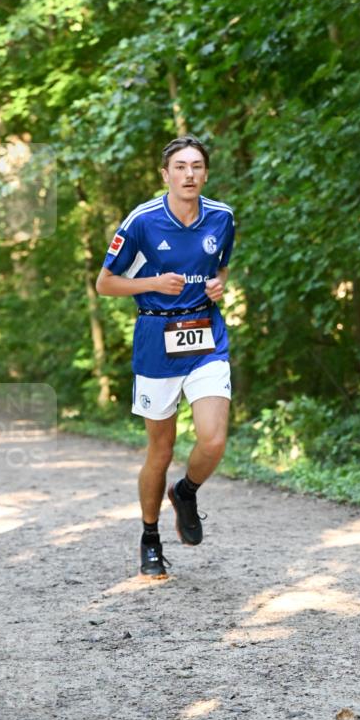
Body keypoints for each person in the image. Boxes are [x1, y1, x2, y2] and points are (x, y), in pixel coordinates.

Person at [96, 135, 235, 579]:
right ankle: (150, 537)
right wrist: (153, 283)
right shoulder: (142, 221)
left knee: (213, 439)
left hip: (205, 335)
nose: (189, 174)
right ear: (165, 175)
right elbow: (105, 283)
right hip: (156, 337)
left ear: (206, 173)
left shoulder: (222, 218)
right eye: (180, 167)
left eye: (196, 166)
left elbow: (221, 267)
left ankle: (187, 491)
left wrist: (219, 286)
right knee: (161, 448)